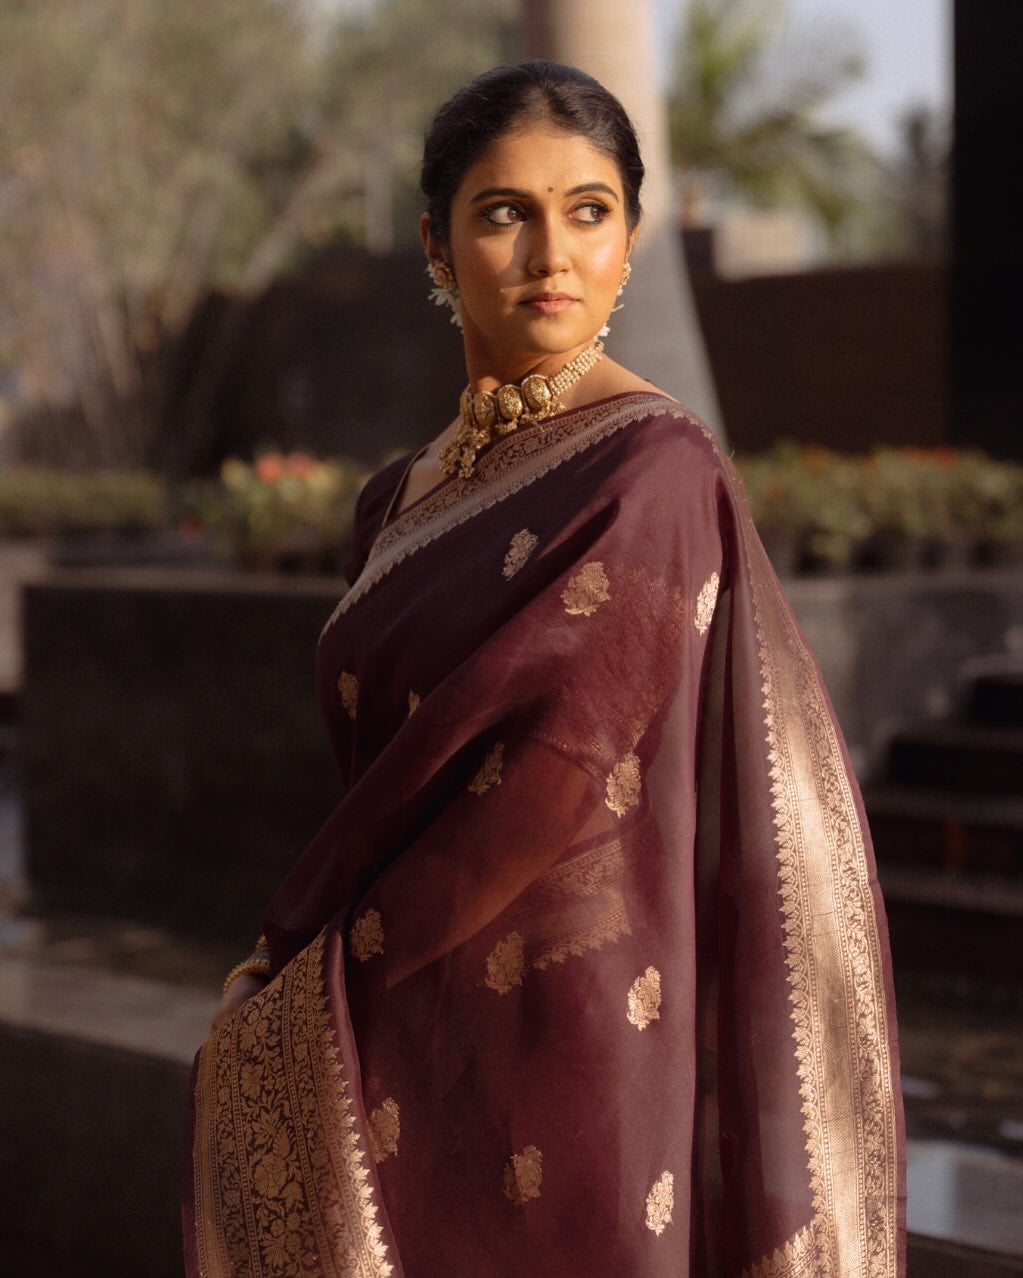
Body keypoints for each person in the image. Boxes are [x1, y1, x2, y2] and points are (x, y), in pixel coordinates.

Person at [185, 61, 905, 1277]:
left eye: (589, 209)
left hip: (576, 1029)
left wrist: (304, 965)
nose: (549, 252)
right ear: (436, 242)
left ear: (631, 235)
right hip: (411, 1015)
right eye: (504, 212)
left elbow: (543, 775)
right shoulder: (394, 500)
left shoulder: (654, 472)